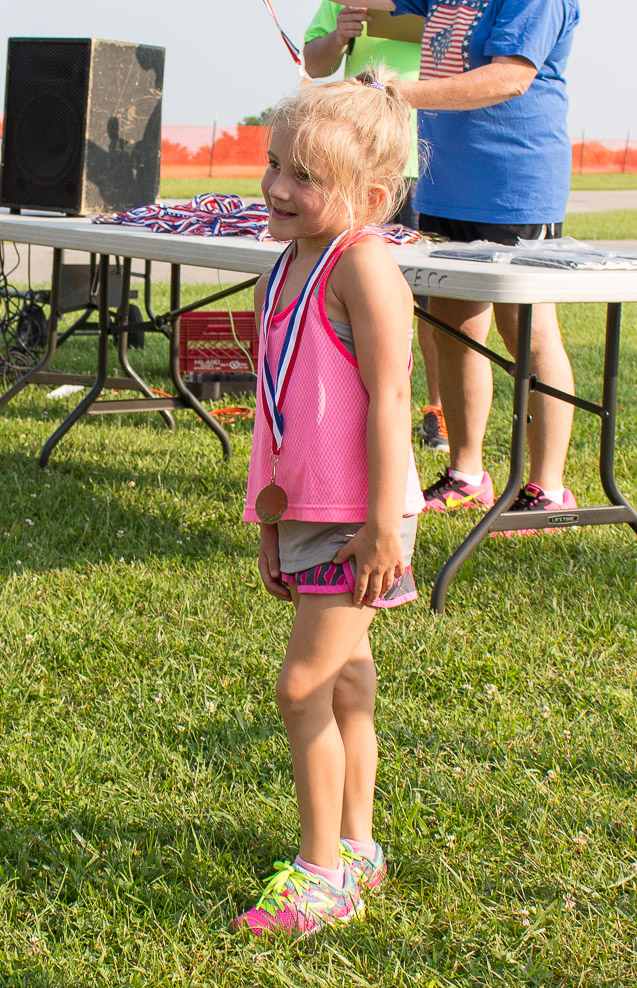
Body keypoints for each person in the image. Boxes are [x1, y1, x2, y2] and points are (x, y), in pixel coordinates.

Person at [235, 70, 425, 937]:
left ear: (371, 196)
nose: (277, 186)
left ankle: (320, 877)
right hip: (308, 513)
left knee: (301, 685)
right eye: (276, 163)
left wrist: (382, 524)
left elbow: (390, 399)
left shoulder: (365, 266)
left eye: (305, 177)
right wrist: (271, 523)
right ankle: (356, 846)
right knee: (346, 680)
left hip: (361, 519)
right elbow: (278, 408)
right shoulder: (282, 267)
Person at [392, 0, 580, 526]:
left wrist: (396, 93)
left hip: (513, 186)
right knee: (454, 328)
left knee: (527, 329)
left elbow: (509, 78)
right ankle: (467, 475)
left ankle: (549, 488)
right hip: (446, 185)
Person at [304, 2, 449, 452]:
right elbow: (314, 64)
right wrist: (338, 36)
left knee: (432, 299)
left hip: (431, 160)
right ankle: (353, 403)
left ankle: (437, 411)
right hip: (361, 164)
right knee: (357, 288)